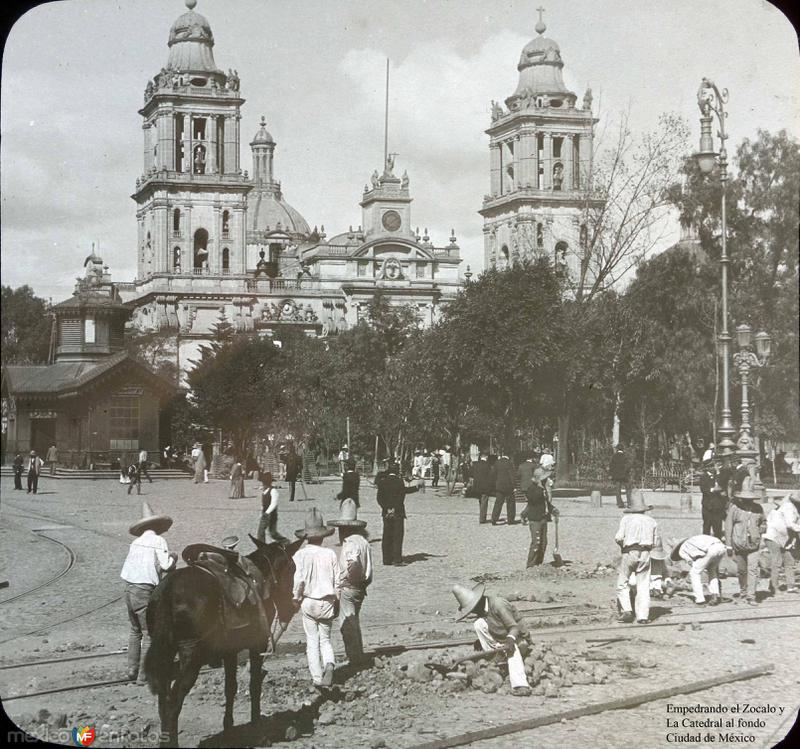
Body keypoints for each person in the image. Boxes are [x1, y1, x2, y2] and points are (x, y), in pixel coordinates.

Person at [119, 502, 176, 683]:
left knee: (135, 631)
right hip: (144, 590)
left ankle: (132, 669)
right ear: (157, 527)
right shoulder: (158, 541)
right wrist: (173, 557)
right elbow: (166, 565)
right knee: (150, 632)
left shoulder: (136, 542)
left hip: (128, 589)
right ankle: (144, 674)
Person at [451, 582, 532, 697]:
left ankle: (521, 685)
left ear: (478, 603)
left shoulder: (498, 605)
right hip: (502, 638)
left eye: (472, 609)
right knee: (478, 623)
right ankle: (496, 657)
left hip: (519, 638)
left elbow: (514, 627)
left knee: (512, 649)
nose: (473, 612)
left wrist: (510, 640)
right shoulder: (483, 611)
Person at [292, 509, 340, 687]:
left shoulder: (299, 555)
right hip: (327, 600)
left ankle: (317, 678)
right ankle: (330, 663)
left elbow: (299, 581)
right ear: (323, 536)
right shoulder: (330, 554)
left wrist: (296, 598)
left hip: (309, 601)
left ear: (306, 536)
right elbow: (338, 581)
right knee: (325, 639)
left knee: (312, 641)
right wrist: (337, 601)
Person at [330, 499, 372, 665]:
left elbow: (353, 564)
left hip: (350, 587)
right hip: (361, 587)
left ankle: (354, 657)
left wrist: (346, 579)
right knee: (354, 620)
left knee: (347, 623)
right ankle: (357, 653)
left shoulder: (351, 544)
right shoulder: (363, 542)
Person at [614, 491, 660, 624]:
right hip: (645, 553)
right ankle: (643, 616)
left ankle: (627, 610)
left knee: (622, 583)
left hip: (630, 552)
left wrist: (623, 546)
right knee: (644, 585)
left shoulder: (627, 519)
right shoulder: (651, 521)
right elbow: (655, 542)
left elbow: (618, 537)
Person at [724, 477, 766, 605]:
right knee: (742, 571)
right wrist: (728, 545)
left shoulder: (758, 508)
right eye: (746, 499)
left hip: (754, 545)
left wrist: (762, 528)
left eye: (750, 499)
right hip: (739, 545)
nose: (748, 501)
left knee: (753, 570)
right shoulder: (735, 509)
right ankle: (743, 591)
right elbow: (728, 527)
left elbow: (763, 521)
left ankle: (751, 596)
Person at [376, 461, 419, 566]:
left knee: (386, 535)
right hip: (398, 512)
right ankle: (397, 559)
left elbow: (379, 498)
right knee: (397, 536)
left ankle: (386, 559)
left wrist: (386, 508)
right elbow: (401, 496)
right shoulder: (399, 482)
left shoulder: (383, 482)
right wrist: (394, 508)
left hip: (386, 513)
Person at [670, 534, 726, 606]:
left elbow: (691, 562)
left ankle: (700, 600)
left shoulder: (682, 549)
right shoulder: (695, 539)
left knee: (694, 573)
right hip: (721, 547)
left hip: (711, 550)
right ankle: (715, 595)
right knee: (712, 571)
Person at [763, 492, 800, 595]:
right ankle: (774, 587)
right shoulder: (789, 507)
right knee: (777, 562)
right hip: (774, 537)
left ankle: (790, 586)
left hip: (785, 538)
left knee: (789, 561)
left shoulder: (787, 508)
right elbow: (790, 524)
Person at [523, 459, 558, 567]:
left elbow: (546, 503)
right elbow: (532, 502)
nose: (547, 480)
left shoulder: (543, 490)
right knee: (536, 543)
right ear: (539, 480)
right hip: (535, 519)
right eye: (545, 478)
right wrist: (545, 490)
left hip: (543, 518)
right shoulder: (533, 490)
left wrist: (553, 509)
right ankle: (531, 565)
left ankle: (538, 563)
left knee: (543, 543)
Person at [699, 460, 727, 539]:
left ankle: (717, 541)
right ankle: (705, 542)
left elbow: (722, 484)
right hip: (708, 506)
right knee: (707, 526)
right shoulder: (703, 476)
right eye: (711, 466)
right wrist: (713, 490)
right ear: (707, 468)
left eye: (713, 466)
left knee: (718, 527)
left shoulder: (717, 475)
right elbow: (704, 489)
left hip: (718, 506)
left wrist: (718, 474)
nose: (713, 468)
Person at [491, 450, 517, 525]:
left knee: (498, 503)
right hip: (508, 486)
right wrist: (514, 486)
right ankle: (510, 519)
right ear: (509, 455)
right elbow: (512, 476)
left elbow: (493, 474)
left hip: (499, 485)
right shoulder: (509, 463)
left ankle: (494, 518)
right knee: (510, 503)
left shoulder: (497, 462)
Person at [471, 451, 495, 525]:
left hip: (477, 486)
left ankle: (482, 515)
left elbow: (471, 474)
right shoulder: (488, 465)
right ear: (486, 457)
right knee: (484, 502)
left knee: (480, 501)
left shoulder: (475, 464)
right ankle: (482, 518)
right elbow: (491, 476)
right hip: (485, 486)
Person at [257, 472, 282, 542]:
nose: (262, 484)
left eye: (264, 483)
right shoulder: (264, 491)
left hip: (271, 514)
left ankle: (285, 542)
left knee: (273, 533)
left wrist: (267, 513)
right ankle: (262, 546)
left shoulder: (273, 491)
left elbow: (273, 504)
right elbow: (263, 504)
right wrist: (261, 513)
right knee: (261, 532)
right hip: (265, 514)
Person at [609, 444, 631, 509]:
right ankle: (629, 503)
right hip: (624, 476)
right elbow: (628, 465)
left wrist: (611, 474)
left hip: (617, 476)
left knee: (618, 490)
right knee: (628, 489)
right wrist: (626, 472)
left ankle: (620, 504)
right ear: (623, 449)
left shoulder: (614, 456)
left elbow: (611, 466)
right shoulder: (625, 456)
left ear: (617, 449)